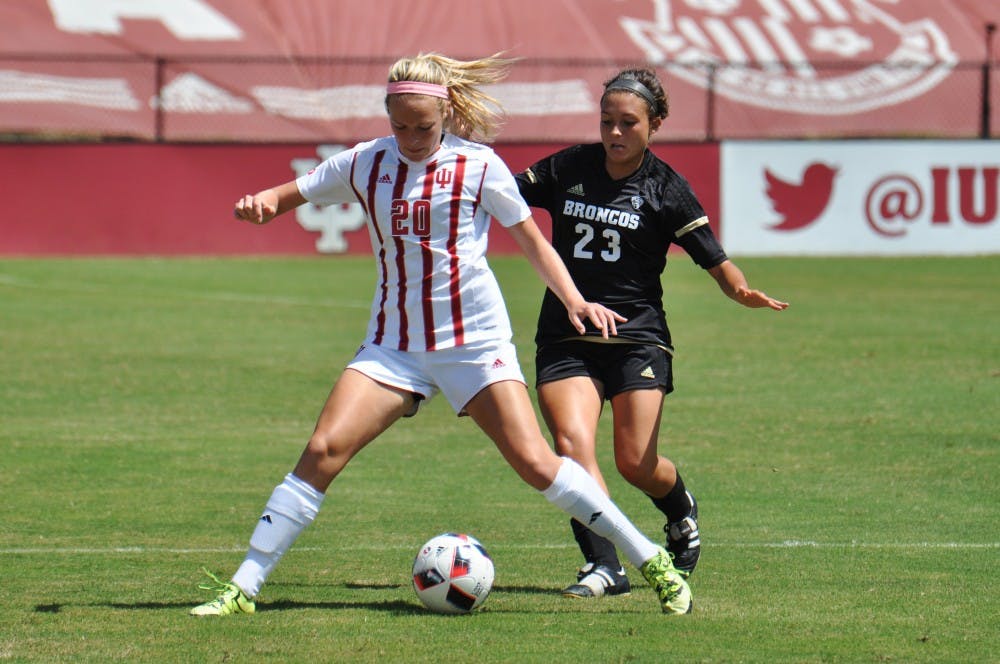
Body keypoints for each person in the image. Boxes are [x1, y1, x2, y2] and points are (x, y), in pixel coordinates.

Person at [190, 53, 694, 617]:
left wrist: (575, 300)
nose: (409, 137)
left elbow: (532, 242)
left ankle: (651, 559)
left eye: (423, 126)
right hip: (394, 347)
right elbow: (290, 194)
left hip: (474, 345)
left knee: (536, 464)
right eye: (399, 124)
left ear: (447, 112)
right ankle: (244, 587)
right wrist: (263, 204)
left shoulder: (480, 166)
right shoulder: (366, 162)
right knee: (322, 450)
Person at [515, 67, 788, 598]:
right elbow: (501, 191)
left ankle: (680, 512)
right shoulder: (569, 166)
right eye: (607, 122)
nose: (615, 134)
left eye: (629, 123)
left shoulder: (666, 187)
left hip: (638, 337)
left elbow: (714, 257)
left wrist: (740, 290)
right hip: (567, 332)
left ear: (655, 124)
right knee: (572, 449)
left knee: (635, 463)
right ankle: (604, 565)